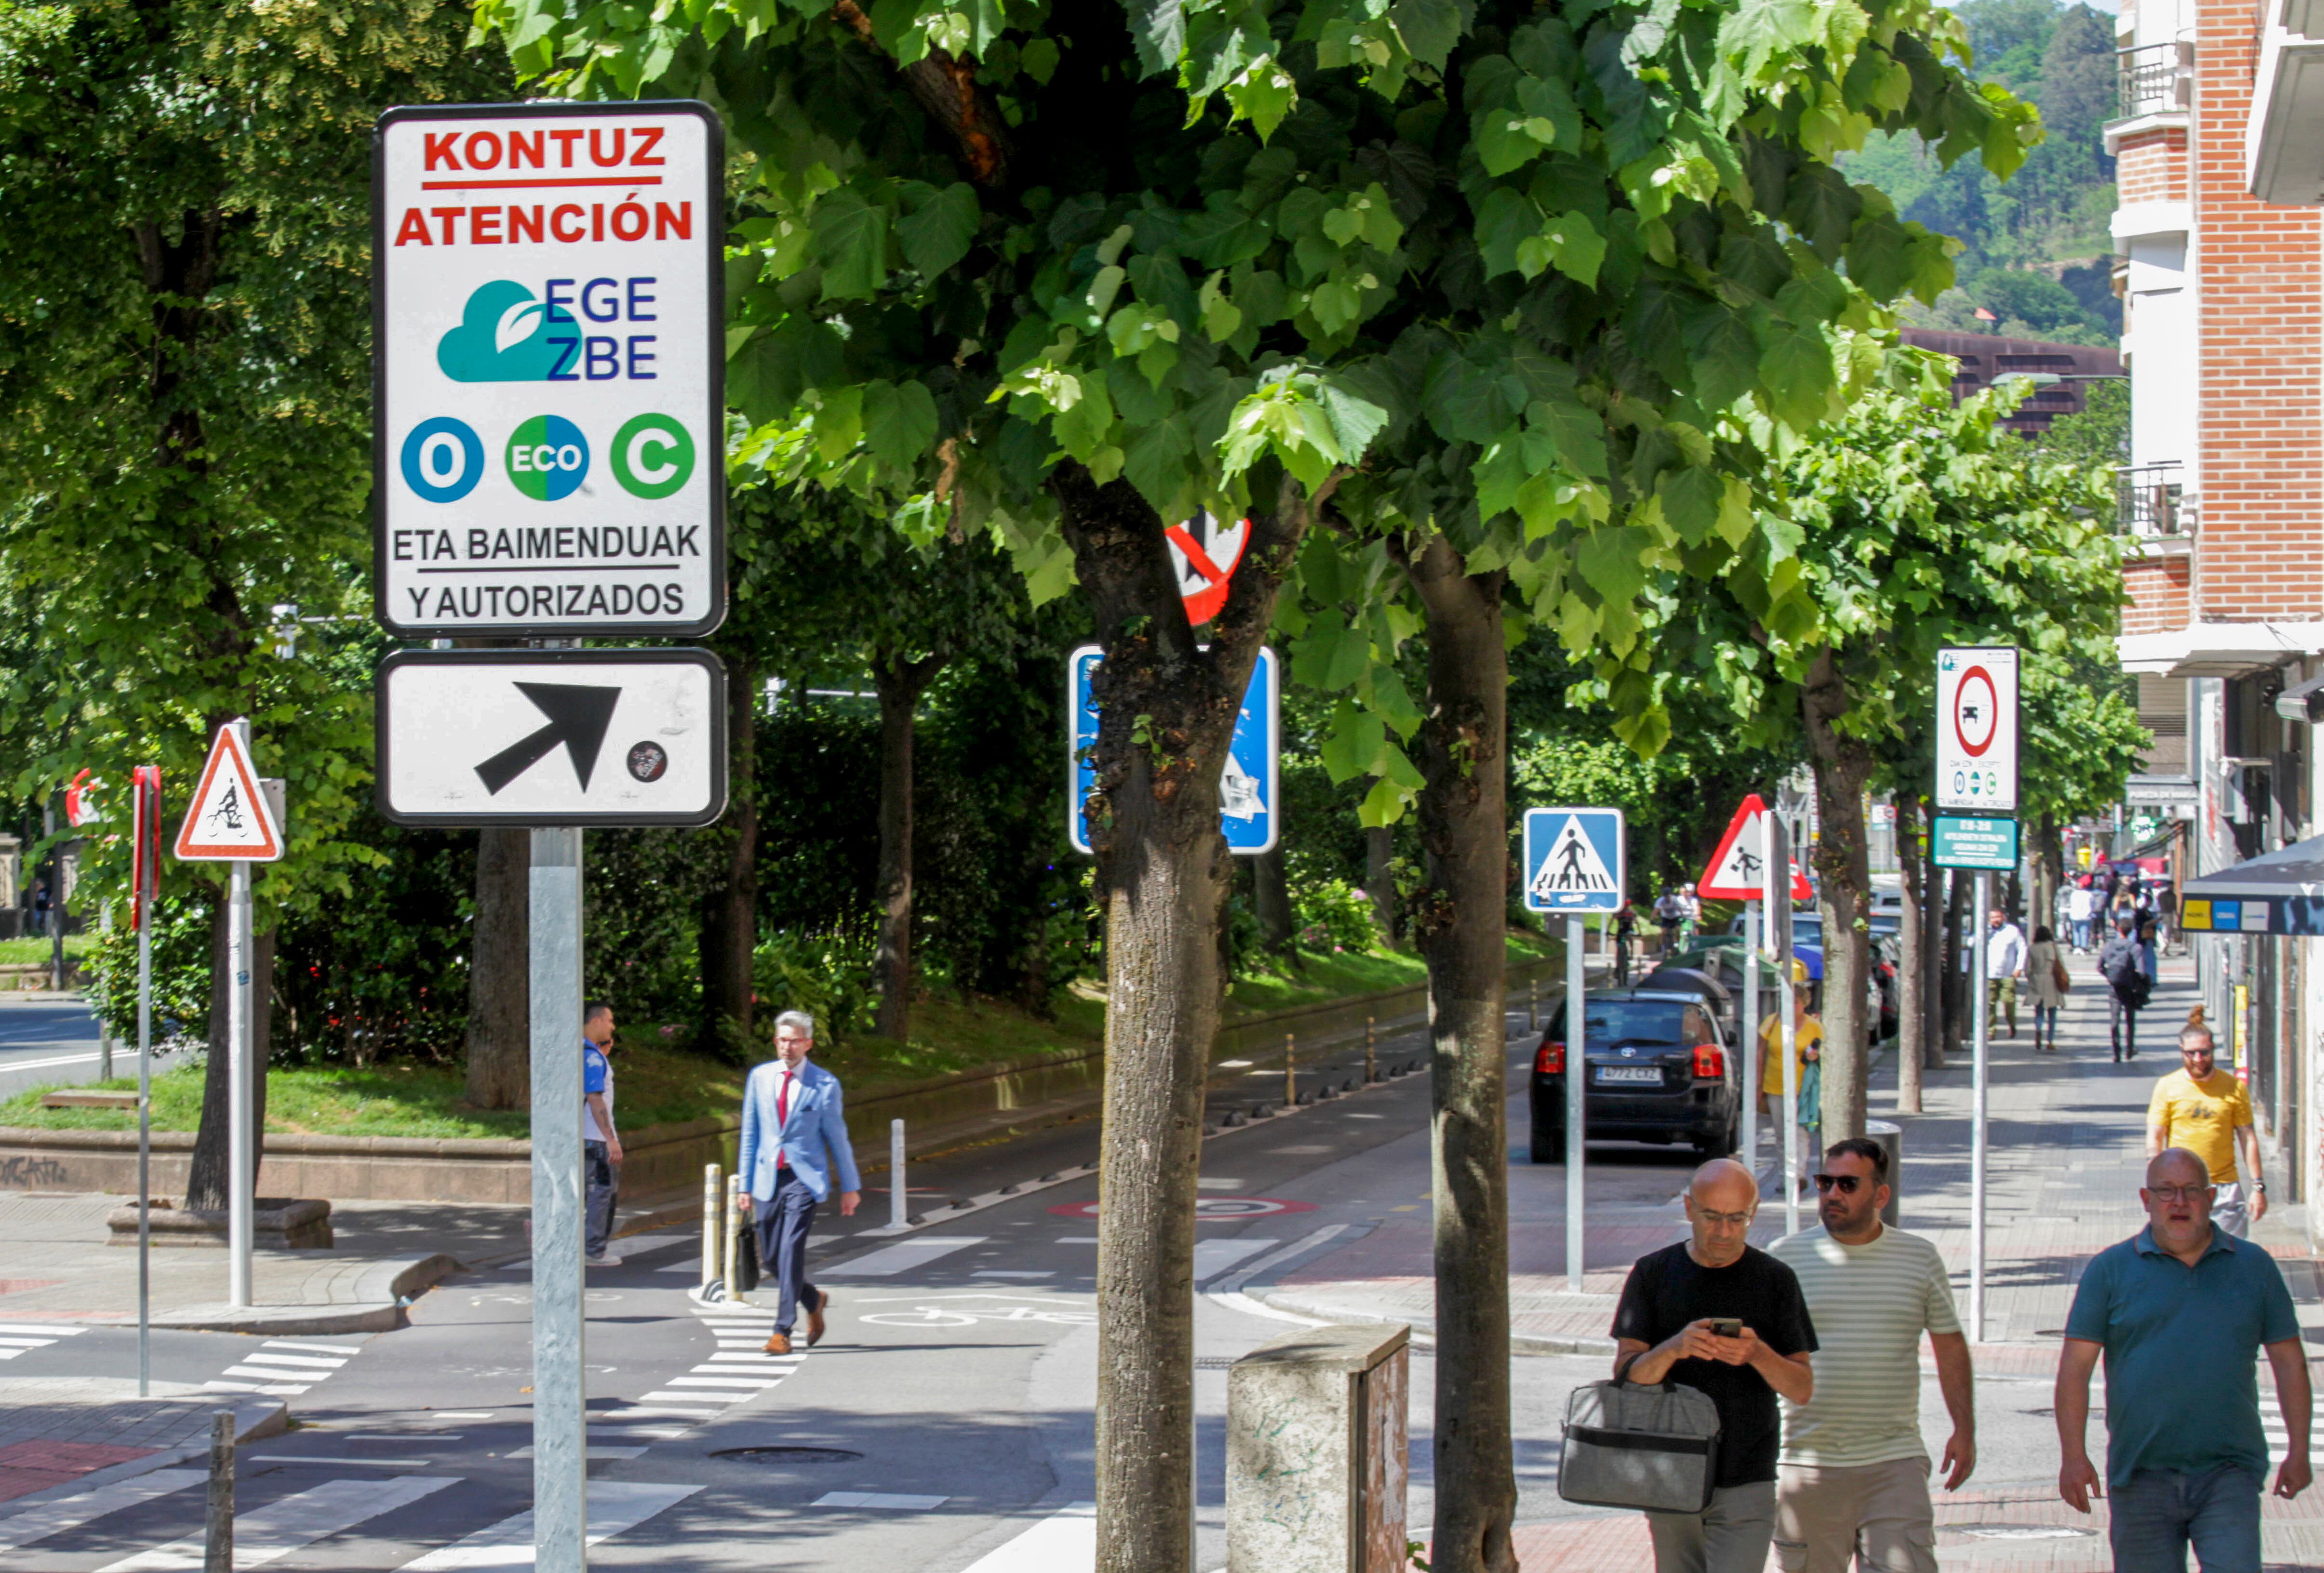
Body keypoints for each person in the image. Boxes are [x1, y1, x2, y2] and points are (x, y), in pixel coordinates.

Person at [2056, 1148, 2311, 1570]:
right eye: (2167, 1191)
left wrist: (2299, 1451)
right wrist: (2073, 1457)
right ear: (2146, 1198)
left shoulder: (2254, 1267)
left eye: (2191, 1191)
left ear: (2211, 1198)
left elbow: (2290, 1363)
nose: (2179, 1202)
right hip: (2140, 1475)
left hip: (2229, 1473)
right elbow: (2074, 1370)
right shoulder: (2110, 1271)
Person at [1769, 1138, 1975, 1573]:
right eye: (1826, 1182)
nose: (1832, 1195)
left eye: (1847, 1184)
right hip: (1805, 1462)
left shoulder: (1919, 1258)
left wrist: (1965, 1429)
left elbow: (1950, 1344)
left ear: (1881, 1195)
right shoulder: (1784, 1260)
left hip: (1893, 1460)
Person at [1612, 1159, 1818, 1573]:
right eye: (1712, 1217)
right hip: (1672, 1473)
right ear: (1689, 1209)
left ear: (1753, 1214)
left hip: (1748, 1475)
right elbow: (1628, 1377)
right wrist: (1673, 1348)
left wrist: (1757, 1353)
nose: (1724, 1232)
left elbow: (1801, 1388)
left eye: (1736, 1219)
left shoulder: (1776, 1280)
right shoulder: (1653, 1273)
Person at [736, 1010, 862, 1355]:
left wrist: (850, 1187)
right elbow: (750, 1133)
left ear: (808, 1044)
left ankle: (782, 1331)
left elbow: (838, 1138)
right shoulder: (760, 1078)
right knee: (772, 1259)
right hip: (767, 1178)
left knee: (792, 1250)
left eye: (794, 1041)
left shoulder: (824, 1085)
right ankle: (813, 1298)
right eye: (781, 1040)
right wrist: (744, 1185)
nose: (787, 1047)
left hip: (804, 1179)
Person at [2148, 1024, 2268, 1238]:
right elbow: (2155, 1139)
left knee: (2229, 1261)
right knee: (2183, 1258)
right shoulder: (2167, 1086)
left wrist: (2258, 1188)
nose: (2198, 1059)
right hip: (2181, 1191)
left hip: (2225, 1191)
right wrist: (2157, 1187)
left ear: (2213, 1049)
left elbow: (2248, 1139)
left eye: (2204, 1052)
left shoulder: (2234, 1088)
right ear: (2181, 1051)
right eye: (2191, 1053)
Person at [1759, 974, 1823, 1185]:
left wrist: (1816, 1055)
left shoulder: (1814, 1026)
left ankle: (1799, 1176)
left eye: (1796, 1002)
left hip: (1804, 1088)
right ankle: (1784, 1177)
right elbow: (1760, 1053)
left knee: (1801, 1132)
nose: (1792, 1006)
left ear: (1804, 1003)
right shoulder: (1772, 1021)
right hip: (1776, 1086)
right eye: (1788, 1001)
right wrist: (1757, 1085)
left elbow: (1824, 1052)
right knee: (1782, 1135)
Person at [581, 1001, 622, 1266]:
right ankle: (594, 1251)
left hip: (582, 1136)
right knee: (602, 1193)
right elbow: (596, 1099)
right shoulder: (593, 1059)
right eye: (609, 1021)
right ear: (596, 1022)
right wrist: (610, 1139)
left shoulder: (586, 1053)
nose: (613, 1026)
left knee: (586, 1192)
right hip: (597, 1139)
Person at [2098, 916, 2148, 1063]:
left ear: (2119, 929)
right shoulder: (2135, 948)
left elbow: (2099, 967)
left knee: (2115, 1020)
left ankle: (2116, 1051)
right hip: (2129, 988)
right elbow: (2143, 971)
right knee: (2130, 1019)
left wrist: (2110, 976)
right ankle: (2130, 1049)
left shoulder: (2109, 946)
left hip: (2114, 988)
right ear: (2132, 930)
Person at [1983, 907, 2028, 1040]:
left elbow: (2022, 948)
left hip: (2008, 974)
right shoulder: (1985, 931)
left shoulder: (2012, 931)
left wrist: (2019, 967)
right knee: (1990, 1004)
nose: (1996, 920)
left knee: (2008, 1001)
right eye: (1993, 918)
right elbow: (1971, 943)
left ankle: (2012, 1024)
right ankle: (1991, 1031)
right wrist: (1984, 934)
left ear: (2003, 918)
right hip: (1989, 974)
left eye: (1998, 917)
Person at [2025, 924, 2067, 1053]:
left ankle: (2038, 1028)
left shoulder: (2032, 949)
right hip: (2052, 981)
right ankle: (2050, 1041)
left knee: (2039, 1010)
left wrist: (2032, 980)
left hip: (2037, 980)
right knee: (2053, 1012)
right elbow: (2060, 965)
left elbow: (2027, 970)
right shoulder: (2053, 948)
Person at [1655, 885, 1688, 955]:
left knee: (1678, 930)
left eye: (1669, 896)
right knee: (1663, 932)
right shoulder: (1660, 901)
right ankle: (1663, 948)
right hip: (1666, 918)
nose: (1668, 898)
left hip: (1675, 917)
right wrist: (1652, 919)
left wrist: (1683, 917)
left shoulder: (1675, 899)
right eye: (1666, 896)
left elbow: (1680, 909)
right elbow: (1656, 911)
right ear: (1664, 896)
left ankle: (1677, 943)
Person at [1614, 897, 1640, 986]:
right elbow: (1611, 921)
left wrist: (1640, 932)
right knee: (1618, 946)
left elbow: (1637, 922)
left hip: (1629, 930)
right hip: (1620, 932)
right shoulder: (1618, 913)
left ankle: (1631, 952)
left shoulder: (1631, 913)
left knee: (1630, 936)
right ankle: (1618, 966)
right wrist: (1607, 931)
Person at [2067, 879, 2097, 954]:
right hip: (2086, 915)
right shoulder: (2089, 894)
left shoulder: (2074, 894)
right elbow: (2092, 905)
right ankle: (2084, 946)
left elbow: (2071, 904)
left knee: (2076, 931)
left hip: (2075, 915)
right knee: (2085, 931)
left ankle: (2077, 946)